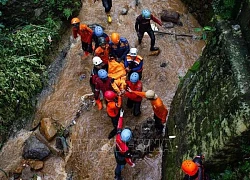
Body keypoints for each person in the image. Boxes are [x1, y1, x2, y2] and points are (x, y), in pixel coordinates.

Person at [114, 109, 135, 180]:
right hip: (121, 157)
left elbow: (119, 126)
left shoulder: (118, 136)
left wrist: (121, 116)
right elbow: (127, 159)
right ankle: (117, 177)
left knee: (118, 163)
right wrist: (132, 164)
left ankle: (117, 174)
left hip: (116, 151)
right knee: (120, 166)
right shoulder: (126, 150)